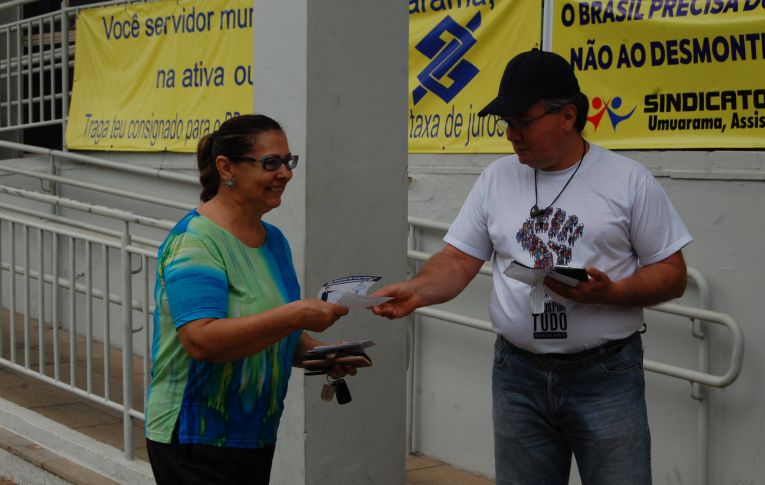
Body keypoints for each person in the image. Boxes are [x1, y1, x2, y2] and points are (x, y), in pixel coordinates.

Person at [372, 49, 692, 485]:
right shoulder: (497, 178)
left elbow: (673, 273)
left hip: (605, 377)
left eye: (523, 121)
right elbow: (458, 258)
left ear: (568, 116)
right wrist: (418, 290)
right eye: (507, 123)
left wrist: (611, 293)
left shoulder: (628, 180)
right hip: (516, 374)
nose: (512, 135)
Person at [145, 114, 359, 484]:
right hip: (196, 437)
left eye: (288, 162)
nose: (285, 174)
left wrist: (321, 355)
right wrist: (294, 316)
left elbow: (269, 333)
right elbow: (200, 339)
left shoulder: (273, 240)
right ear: (226, 167)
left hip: (253, 433)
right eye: (270, 163)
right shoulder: (196, 242)